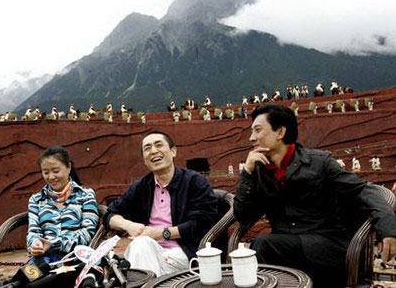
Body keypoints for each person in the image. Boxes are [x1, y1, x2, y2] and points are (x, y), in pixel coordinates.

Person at [234, 104, 396, 287]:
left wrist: (388, 228)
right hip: (286, 248)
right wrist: (247, 173)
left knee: (263, 245)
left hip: (327, 247)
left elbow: (364, 190)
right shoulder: (259, 171)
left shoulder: (319, 162)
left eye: (257, 130)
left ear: (280, 132)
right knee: (263, 248)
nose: (251, 138)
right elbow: (243, 215)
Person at [103, 132, 218, 277]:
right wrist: (129, 226)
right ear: (144, 159)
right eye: (147, 148)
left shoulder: (194, 182)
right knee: (141, 247)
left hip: (184, 254)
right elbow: (110, 214)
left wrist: (161, 234)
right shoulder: (142, 186)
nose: (153, 151)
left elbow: (202, 223)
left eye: (159, 145)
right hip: (148, 251)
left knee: (140, 248)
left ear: (173, 151)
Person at [27, 146, 99, 264]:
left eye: (56, 171)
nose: (51, 177)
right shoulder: (36, 200)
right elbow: (33, 231)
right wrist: (35, 244)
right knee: (28, 278)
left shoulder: (85, 195)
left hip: (77, 257)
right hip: (44, 259)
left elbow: (88, 231)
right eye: (46, 172)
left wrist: (54, 244)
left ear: (69, 167)